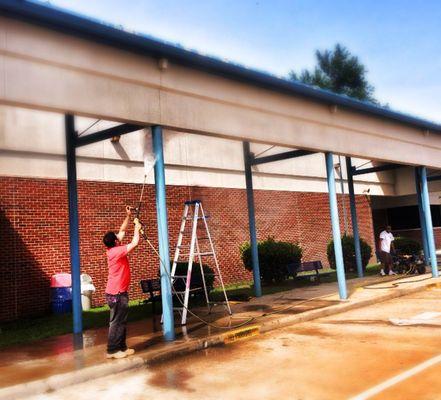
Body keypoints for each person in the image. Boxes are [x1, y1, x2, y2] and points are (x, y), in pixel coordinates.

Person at [103, 206, 142, 359]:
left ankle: (121, 348)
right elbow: (134, 243)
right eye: (116, 237)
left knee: (121, 321)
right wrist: (137, 228)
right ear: (114, 241)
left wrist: (128, 216)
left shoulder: (113, 246)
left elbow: (122, 230)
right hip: (117, 294)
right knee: (116, 322)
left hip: (118, 292)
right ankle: (112, 350)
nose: (118, 236)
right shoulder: (116, 252)